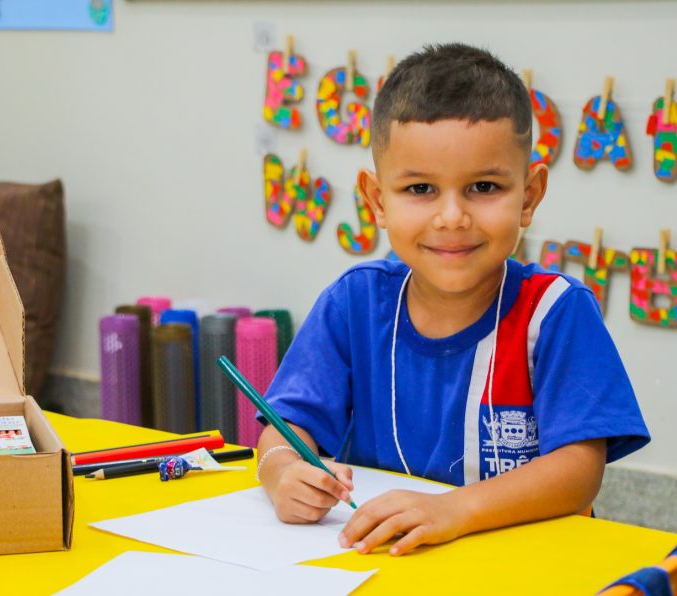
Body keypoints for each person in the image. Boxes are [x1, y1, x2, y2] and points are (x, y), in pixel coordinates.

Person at [256, 43, 650, 557]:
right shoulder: (354, 302)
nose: (451, 217)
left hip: (528, 567)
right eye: (420, 189)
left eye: (483, 187)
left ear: (529, 196)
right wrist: (283, 471)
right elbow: (286, 428)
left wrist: (453, 511)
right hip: (394, 565)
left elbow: (578, 472)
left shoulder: (556, 310)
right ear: (377, 200)